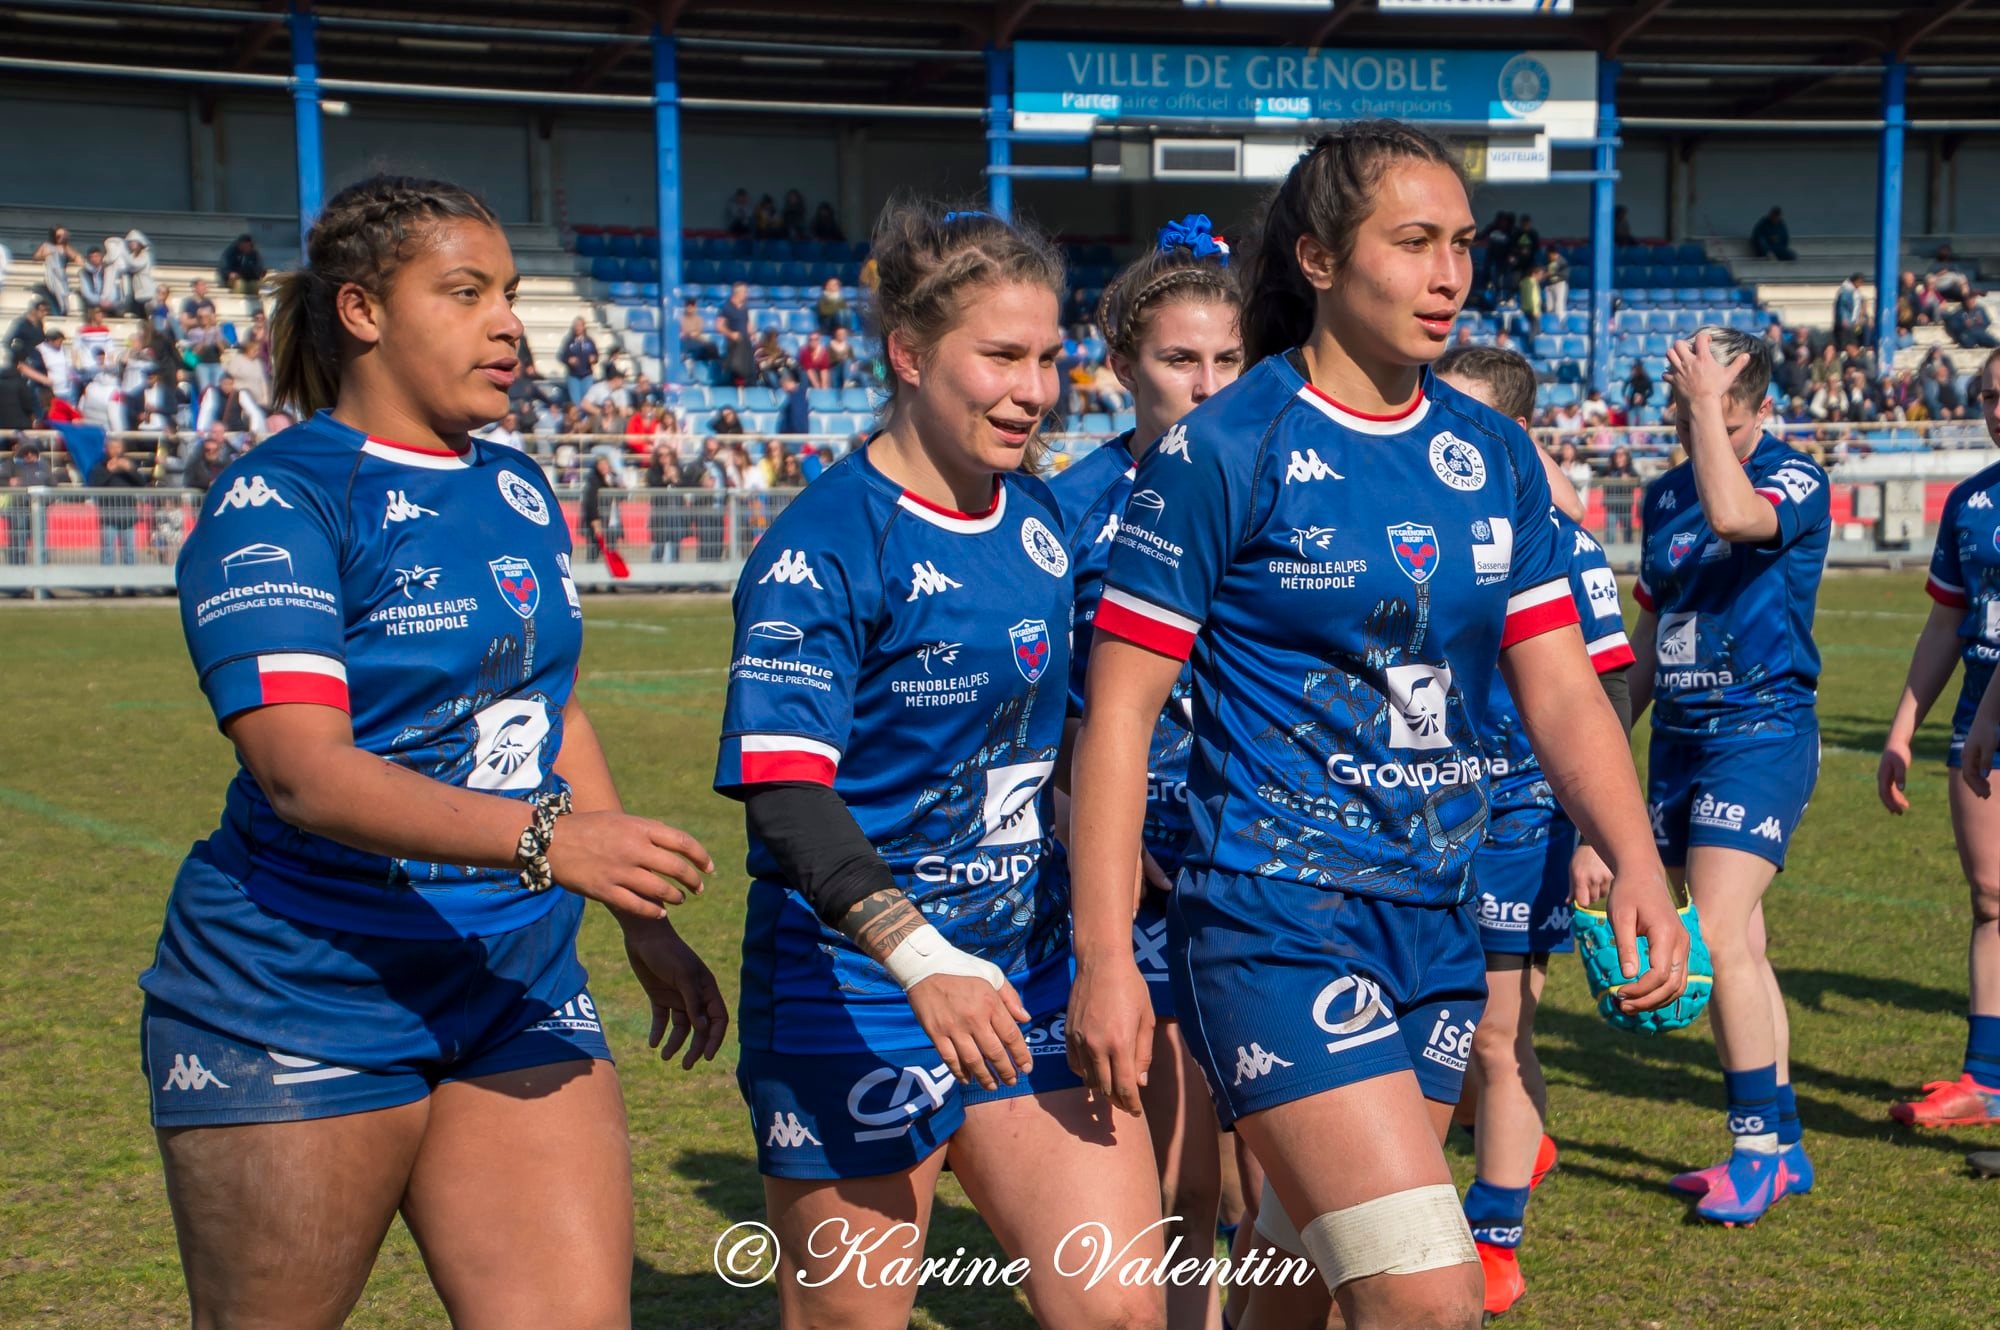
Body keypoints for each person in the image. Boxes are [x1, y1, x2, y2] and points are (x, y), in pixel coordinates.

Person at [1066, 121, 1687, 1330]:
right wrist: (1102, 956)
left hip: (1437, 921)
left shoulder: (1493, 452)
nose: (1448, 272)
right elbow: (1120, 719)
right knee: (1428, 1294)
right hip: (1274, 918)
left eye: (1460, 243)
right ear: (1314, 259)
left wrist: (1636, 858)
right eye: (1411, 243)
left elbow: (1560, 687)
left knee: (1297, 1281)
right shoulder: (1221, 449)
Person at [137, 174, 725, 1329]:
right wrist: (553, 840)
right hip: (299, 993)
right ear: (362, 311)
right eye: (464, 293)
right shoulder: (278, 499)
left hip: (515, 984)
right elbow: (301, 768)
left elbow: (547, 707)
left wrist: (637, 916)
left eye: (509, 292)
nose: (509, 321)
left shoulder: (513, 481)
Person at [713, 201, 1166, 1328]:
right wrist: (920, 958)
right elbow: (784, 796)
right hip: (857, 985)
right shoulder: (822, 545)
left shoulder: (1040, 521)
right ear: (908, 356)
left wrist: (1120, 897)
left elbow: (1072, 734)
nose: (1034, 389)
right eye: (1001, 357)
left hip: (1027, 971)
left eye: (1049, 357)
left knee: (1117, 1307)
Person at [1051, 213, 1243, 1330]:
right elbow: (1044, 712)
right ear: (1120, 364)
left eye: (1227, 360)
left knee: (1273, 1157)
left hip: (1269, 857)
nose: (1205, 385)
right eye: (1178, 359)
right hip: (1133, 880)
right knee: (1179, 1165)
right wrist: (1091, 828)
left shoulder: (1281, 483)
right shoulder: (1066, 510)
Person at [1433, 345, 1636, 1319]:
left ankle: (1494, 1230)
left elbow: (1602, 686)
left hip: (1517, 814)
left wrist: (1599, 832)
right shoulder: (1396, 520)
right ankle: (1500, 1148)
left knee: (1497, 1032)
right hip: (1404, 814)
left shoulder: (1557, 539)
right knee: (1431, 1027)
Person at [1635, 328, 1830, 1225]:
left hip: (1761, 731)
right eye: (1681, 407)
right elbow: (1652, 629)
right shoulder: (1660, 494)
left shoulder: (1794, 477)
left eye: (1711, 405)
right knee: (1742, 945)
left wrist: (1711, 412)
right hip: (1678, 737)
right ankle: (1782, 1147)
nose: (1690, 422)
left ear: (1758, 407)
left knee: (1709, 937)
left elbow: (1734, 518)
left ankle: (1754, 1147)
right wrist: (1605, 734)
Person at [1879, 349, 2000, 1129]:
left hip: (1991, 718)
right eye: (1989, 395)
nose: (1998, 409)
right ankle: (1986, 1081)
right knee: (1991, 900)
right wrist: (1901, 731)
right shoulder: (1971, 502)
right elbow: (1947, 621)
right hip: (1979, 725)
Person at [32, 225, 81, 315]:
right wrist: (45, 255)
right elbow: (36, 257)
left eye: (63, 235)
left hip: (61, 275)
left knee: (63, 294)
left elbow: (76, 257)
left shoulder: (65, 247)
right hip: (51, 274)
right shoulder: (46, 246)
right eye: (58, 236)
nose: (61, 238)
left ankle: (63, 310)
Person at [561, 317, 598, 405]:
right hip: (574, 376)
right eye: (576, 326)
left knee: (587, 402)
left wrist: (594, 359)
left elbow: (596, 355)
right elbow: (563, 357)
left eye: (579, 325)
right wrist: (569, 360)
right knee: (576, 403)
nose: (578, 328)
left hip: (587, 375)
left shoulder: (589, 341)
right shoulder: (569, 342)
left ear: (584, 327)